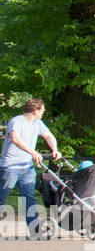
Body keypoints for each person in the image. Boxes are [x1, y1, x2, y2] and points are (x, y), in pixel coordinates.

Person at [2, 98, 61, 231]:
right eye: (42, 110)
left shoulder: (38, 123)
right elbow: (15, 139)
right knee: (2, 198)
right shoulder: (16, 121)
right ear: (35, 110)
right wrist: (33, 152)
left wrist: (55, 149)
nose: (43, 112)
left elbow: (49, 136)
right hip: (10, 167)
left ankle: (34, 229)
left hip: (27, 168)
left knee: (29, 198)